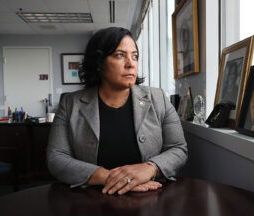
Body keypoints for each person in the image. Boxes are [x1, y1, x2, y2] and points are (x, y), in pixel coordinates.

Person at [47, 27, 188, 195]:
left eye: (134, 56)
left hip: (150, 198)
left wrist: (149, 168)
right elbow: (56, 158)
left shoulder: (158, 98)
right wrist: (109, 177)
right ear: (99, 63)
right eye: (120, 55)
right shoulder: (70, 103)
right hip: (92, 200)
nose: (131, 63)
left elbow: (178, 149)